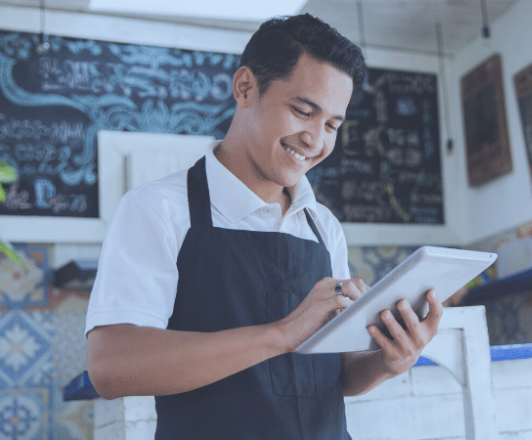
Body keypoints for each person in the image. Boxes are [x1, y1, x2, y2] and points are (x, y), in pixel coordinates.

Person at [85, 14, 443, 439]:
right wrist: (280, 335)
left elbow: (337, 375)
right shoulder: (157, 209)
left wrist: (389, 361)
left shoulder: (322, 225)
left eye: (331, 125)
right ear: (245, 87)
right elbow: (111, 367)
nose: (315, 139)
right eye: (302, 111)